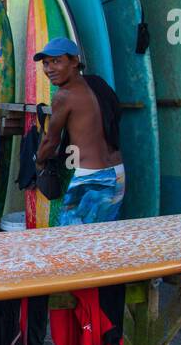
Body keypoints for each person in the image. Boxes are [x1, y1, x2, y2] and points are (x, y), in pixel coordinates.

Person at [31, 37, 124, 225]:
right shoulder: (98, 83)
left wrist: (38, 161)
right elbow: (115, 112)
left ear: (74, 61)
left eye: (56, 61)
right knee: (102, 238)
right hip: (118, 173)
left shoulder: (64, 96)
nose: (49, 69)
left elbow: (51, 141)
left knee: (71, 241)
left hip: (92, 179)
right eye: (46, 63)